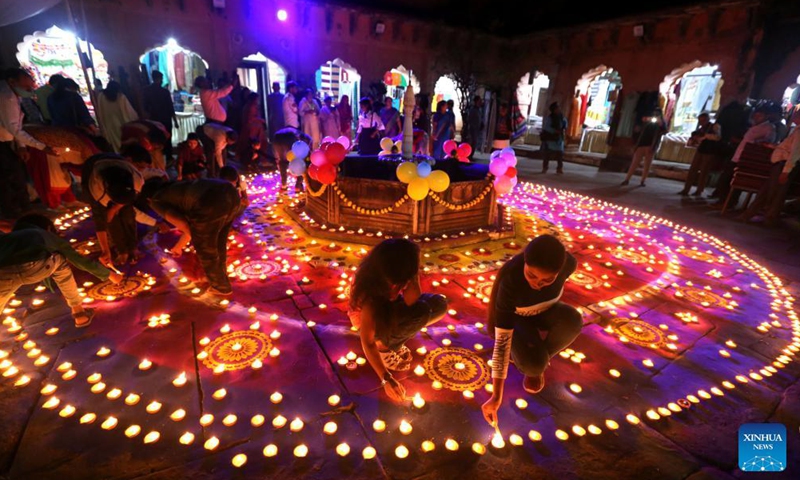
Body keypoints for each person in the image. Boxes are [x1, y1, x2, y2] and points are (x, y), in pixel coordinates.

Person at [481, 235, 582, 426]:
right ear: (525, 263)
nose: (537, 283)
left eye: (547, 280)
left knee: (574, 320)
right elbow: (502, 342)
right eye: (532, 275)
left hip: (547, 312)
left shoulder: (569, 264)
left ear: (560, 271)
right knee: (533, 365)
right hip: (518, 320)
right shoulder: (511, 281)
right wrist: (496, 396)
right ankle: (534, 363)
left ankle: (539, 358)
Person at [348, 239, 448, 402]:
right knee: (422, 311)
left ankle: (393, 336)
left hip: (389, 306)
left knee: (439, 304)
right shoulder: (369, 292)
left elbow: (411, 300)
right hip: (371, 321)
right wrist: (386, 378)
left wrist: (413, 275)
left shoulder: (392, 274)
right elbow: (367, 342)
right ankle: (386, 347)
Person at [0, 214, 122, 328]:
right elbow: (78, 259)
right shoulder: (42, 233)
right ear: (48, 228)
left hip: (3, 272)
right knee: (61, 261)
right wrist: (109, 274)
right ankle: (79, 313)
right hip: (36, 266)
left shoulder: (8, 238)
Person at [146, 178, 241, 296]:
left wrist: (200, 240)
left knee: (206, 249)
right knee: (219, 239)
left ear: (147, 199)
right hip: (232, 194)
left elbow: (184, 225)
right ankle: (221, 275)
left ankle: (221, 287)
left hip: (209, 202)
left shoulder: (156, 199)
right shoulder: (175, 187)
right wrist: (179, 246)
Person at [82, 153, 165, 267]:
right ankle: (122, 250)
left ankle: (133, 247)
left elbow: (132, 209)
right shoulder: (96, 192)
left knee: (128, 214)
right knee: (111, 219)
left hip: (119, 166)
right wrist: (105, 250)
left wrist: (117, 206)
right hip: (92, 166)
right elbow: (100, 223)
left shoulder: (136, 181)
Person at [0, 68, 59, 218]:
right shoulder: (6, 97)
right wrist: (43, 147)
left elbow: (17, 124)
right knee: (9, 178)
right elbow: (14, 128)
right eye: (27, 87)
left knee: (16, 175)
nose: (30, 90)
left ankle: (22, 211)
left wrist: (21, 147)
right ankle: (15, 216)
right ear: (12, 82)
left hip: (6, 140)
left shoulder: (13, 94)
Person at [738, 107, 800, 225]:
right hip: (780, 164)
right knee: (766, 191)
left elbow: (795, 152)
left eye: (796, 114)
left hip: (784, 165)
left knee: (776, 194)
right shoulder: (796, 130)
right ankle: (749, 215)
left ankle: (769, 219)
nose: (793, 115)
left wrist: (786, 171)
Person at [712, 105, 777, 208]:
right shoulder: (753, 126)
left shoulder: (768, 128)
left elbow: (767, 143)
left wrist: (755, 143)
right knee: (726, 178)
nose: (756, 117)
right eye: (755, 115)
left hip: (747, 159)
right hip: (738, 155)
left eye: (759, 115)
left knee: (733, 180)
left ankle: (728, 202)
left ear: (766, 116)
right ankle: (723, 200)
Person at [679, 113, 722, 196]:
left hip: (709, 151)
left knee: (704, 172)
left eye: (703, 120)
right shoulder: (701, 129)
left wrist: (705, 136)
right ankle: (686, 189)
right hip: (700, 150)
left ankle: (699, 190)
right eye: (700, 121)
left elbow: (717, 137)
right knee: (693, 170)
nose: (702, 122)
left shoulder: (714, 126)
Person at [621, 109, 666, 187]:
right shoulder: (646, 121)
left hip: (651, 146)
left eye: (657, 114)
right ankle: (627, 179)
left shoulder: (661, 123)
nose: (655, 115)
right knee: (634, 163)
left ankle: (643, 181)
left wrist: (660, 124)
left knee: (647, 165)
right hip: (641, 145)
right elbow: (638, 130)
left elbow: (664, 131)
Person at [141, 71, 177, 161]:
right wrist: (175, 120)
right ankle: (168, 157)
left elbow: (145, 107)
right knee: (167, 138)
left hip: (154, 120)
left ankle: (157, 158)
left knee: (156, 140)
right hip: (165, 119)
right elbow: (170, 107)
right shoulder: (164, 92)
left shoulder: (146, 91)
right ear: (160, 79)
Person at [96, 81, 139, 152]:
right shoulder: (121, 97)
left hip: (108, 126)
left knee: (115, 146)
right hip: (122, 126)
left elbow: (100, 111)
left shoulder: (101, 96)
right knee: (125, 146)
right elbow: (130, 113)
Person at [237, 92, 265, 169]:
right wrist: (260, 120)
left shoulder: (248, 106)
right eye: (257, 99)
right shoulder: (251, 106)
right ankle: (250, 162)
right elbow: (250, 118)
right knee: (251, 146)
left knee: (250, 146)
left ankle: (251, 162)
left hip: (252, 129)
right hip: (252, 130)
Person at [541, 102, 567, 174]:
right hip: (551, 139)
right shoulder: (550, 118)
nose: (559, 109)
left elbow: (565, 124)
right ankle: (545, 168)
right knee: (548, 155)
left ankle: (559, 168)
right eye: (557, 108)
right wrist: (554, 131)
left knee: (560, 155)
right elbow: (546, 127)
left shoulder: (561, 117)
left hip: (559, 139)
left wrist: (563, 128)